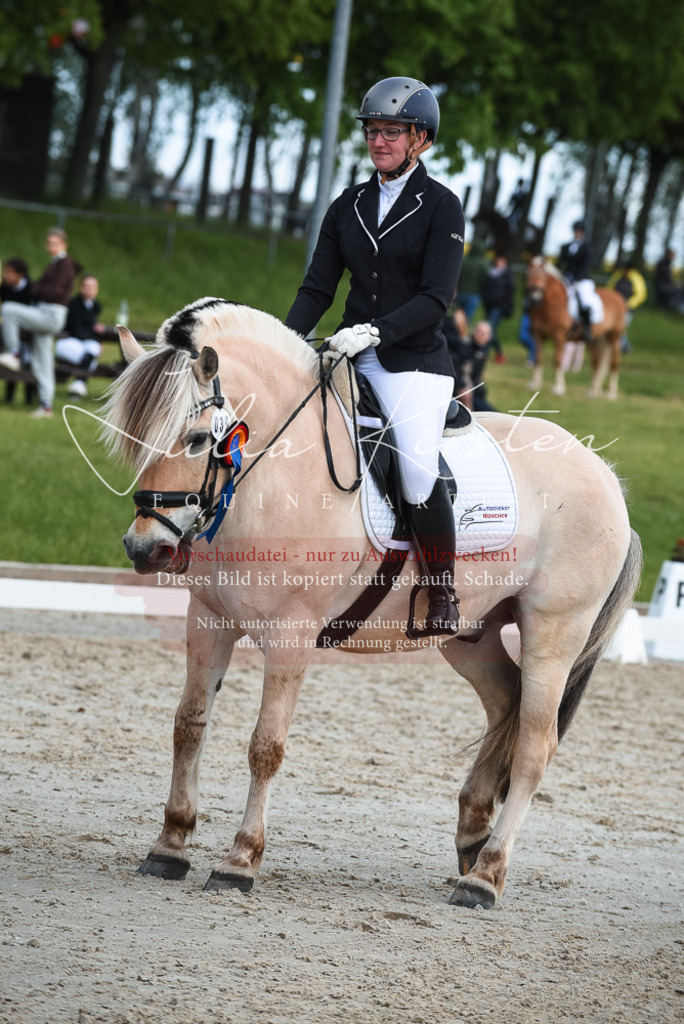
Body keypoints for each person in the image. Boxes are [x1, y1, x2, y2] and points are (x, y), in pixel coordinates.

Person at [286, 76, 465, 637]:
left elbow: (436, 299)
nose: (379, 140)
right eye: (373, 130)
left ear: (421, 141)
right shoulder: (349, 205)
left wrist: (376, 333)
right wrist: (284, 340)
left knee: (414, 470)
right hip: (345, 353)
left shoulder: (442, 207)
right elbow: (318, 288)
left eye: (392, 131)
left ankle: (441, 592)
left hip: (413, 361)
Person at [0, 227, 82, 418]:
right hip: (45, 312)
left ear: (64, 244)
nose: (50, 246)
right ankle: (46, 406)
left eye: (55, 242)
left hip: (51, 314)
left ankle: (13, 353)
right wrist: (40, 289)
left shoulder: (65, 263)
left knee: (8, 309)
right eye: (49, 242)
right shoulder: (56, 263)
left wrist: (38, 289)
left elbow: (50, 291)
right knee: (42, 363)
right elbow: (44, 289)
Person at [55, 273, 107, 397]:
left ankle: (78, 384)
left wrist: (96, 332)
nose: (89, 289)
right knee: (90, 360)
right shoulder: (74, 304)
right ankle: (79, 383)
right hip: (71, 340)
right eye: (86, 286)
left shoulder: (96, 306)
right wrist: (96, 337)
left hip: (85, 341)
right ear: (80, 288)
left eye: (92, 287)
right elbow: (76, 328)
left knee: (91, 351)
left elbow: (89, 326)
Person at [557, 219, 597, 341]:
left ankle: (586, 327)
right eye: (575, 231)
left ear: (583, 232)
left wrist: (576, 279)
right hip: (567, 278)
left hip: (581, 279)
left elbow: (585, 264)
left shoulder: (587, 247)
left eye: (579, 231)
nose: (576, 233)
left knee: (583, 299)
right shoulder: (566, 246)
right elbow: (560, 263)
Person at [451, 320, 497, 412]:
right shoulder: (463, 347)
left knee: (494, 414)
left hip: (474, 392)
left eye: (485, 334)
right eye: (479, 332)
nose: (481, 336)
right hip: (460, 392)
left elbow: (476, 376)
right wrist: (461, 387)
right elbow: (455, 370)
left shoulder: (480, 352)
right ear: (474, 332)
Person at [479, 251, 514, 361]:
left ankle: (483, 353)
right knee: (490, 330)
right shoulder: (491, 273)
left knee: (489, 329)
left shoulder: (507, 275)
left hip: (499, 306)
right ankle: (499, 352)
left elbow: (509, 292)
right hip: (489, 305)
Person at [607, 260, 647, 352]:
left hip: (627, 309)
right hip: (614, 308)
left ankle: (625, 347)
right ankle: (621, 346)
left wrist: (628, 305)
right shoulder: (618, 276)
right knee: (615, 328)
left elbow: (640, 295)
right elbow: (610, 288)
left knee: (621, 328)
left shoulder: (636, 278)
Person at [0, 257, 33, 369]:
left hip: (27, 332)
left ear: (20, 275)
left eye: (9, 272)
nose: (5, 275)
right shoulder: (4, 287)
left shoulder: (32, 290)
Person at [454, 238, 488, 323]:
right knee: (466, 320)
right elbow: (486, 280)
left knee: (454, 318)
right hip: (474, 294)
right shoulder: (484, 263)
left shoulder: (464, 260)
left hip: (459, 292)